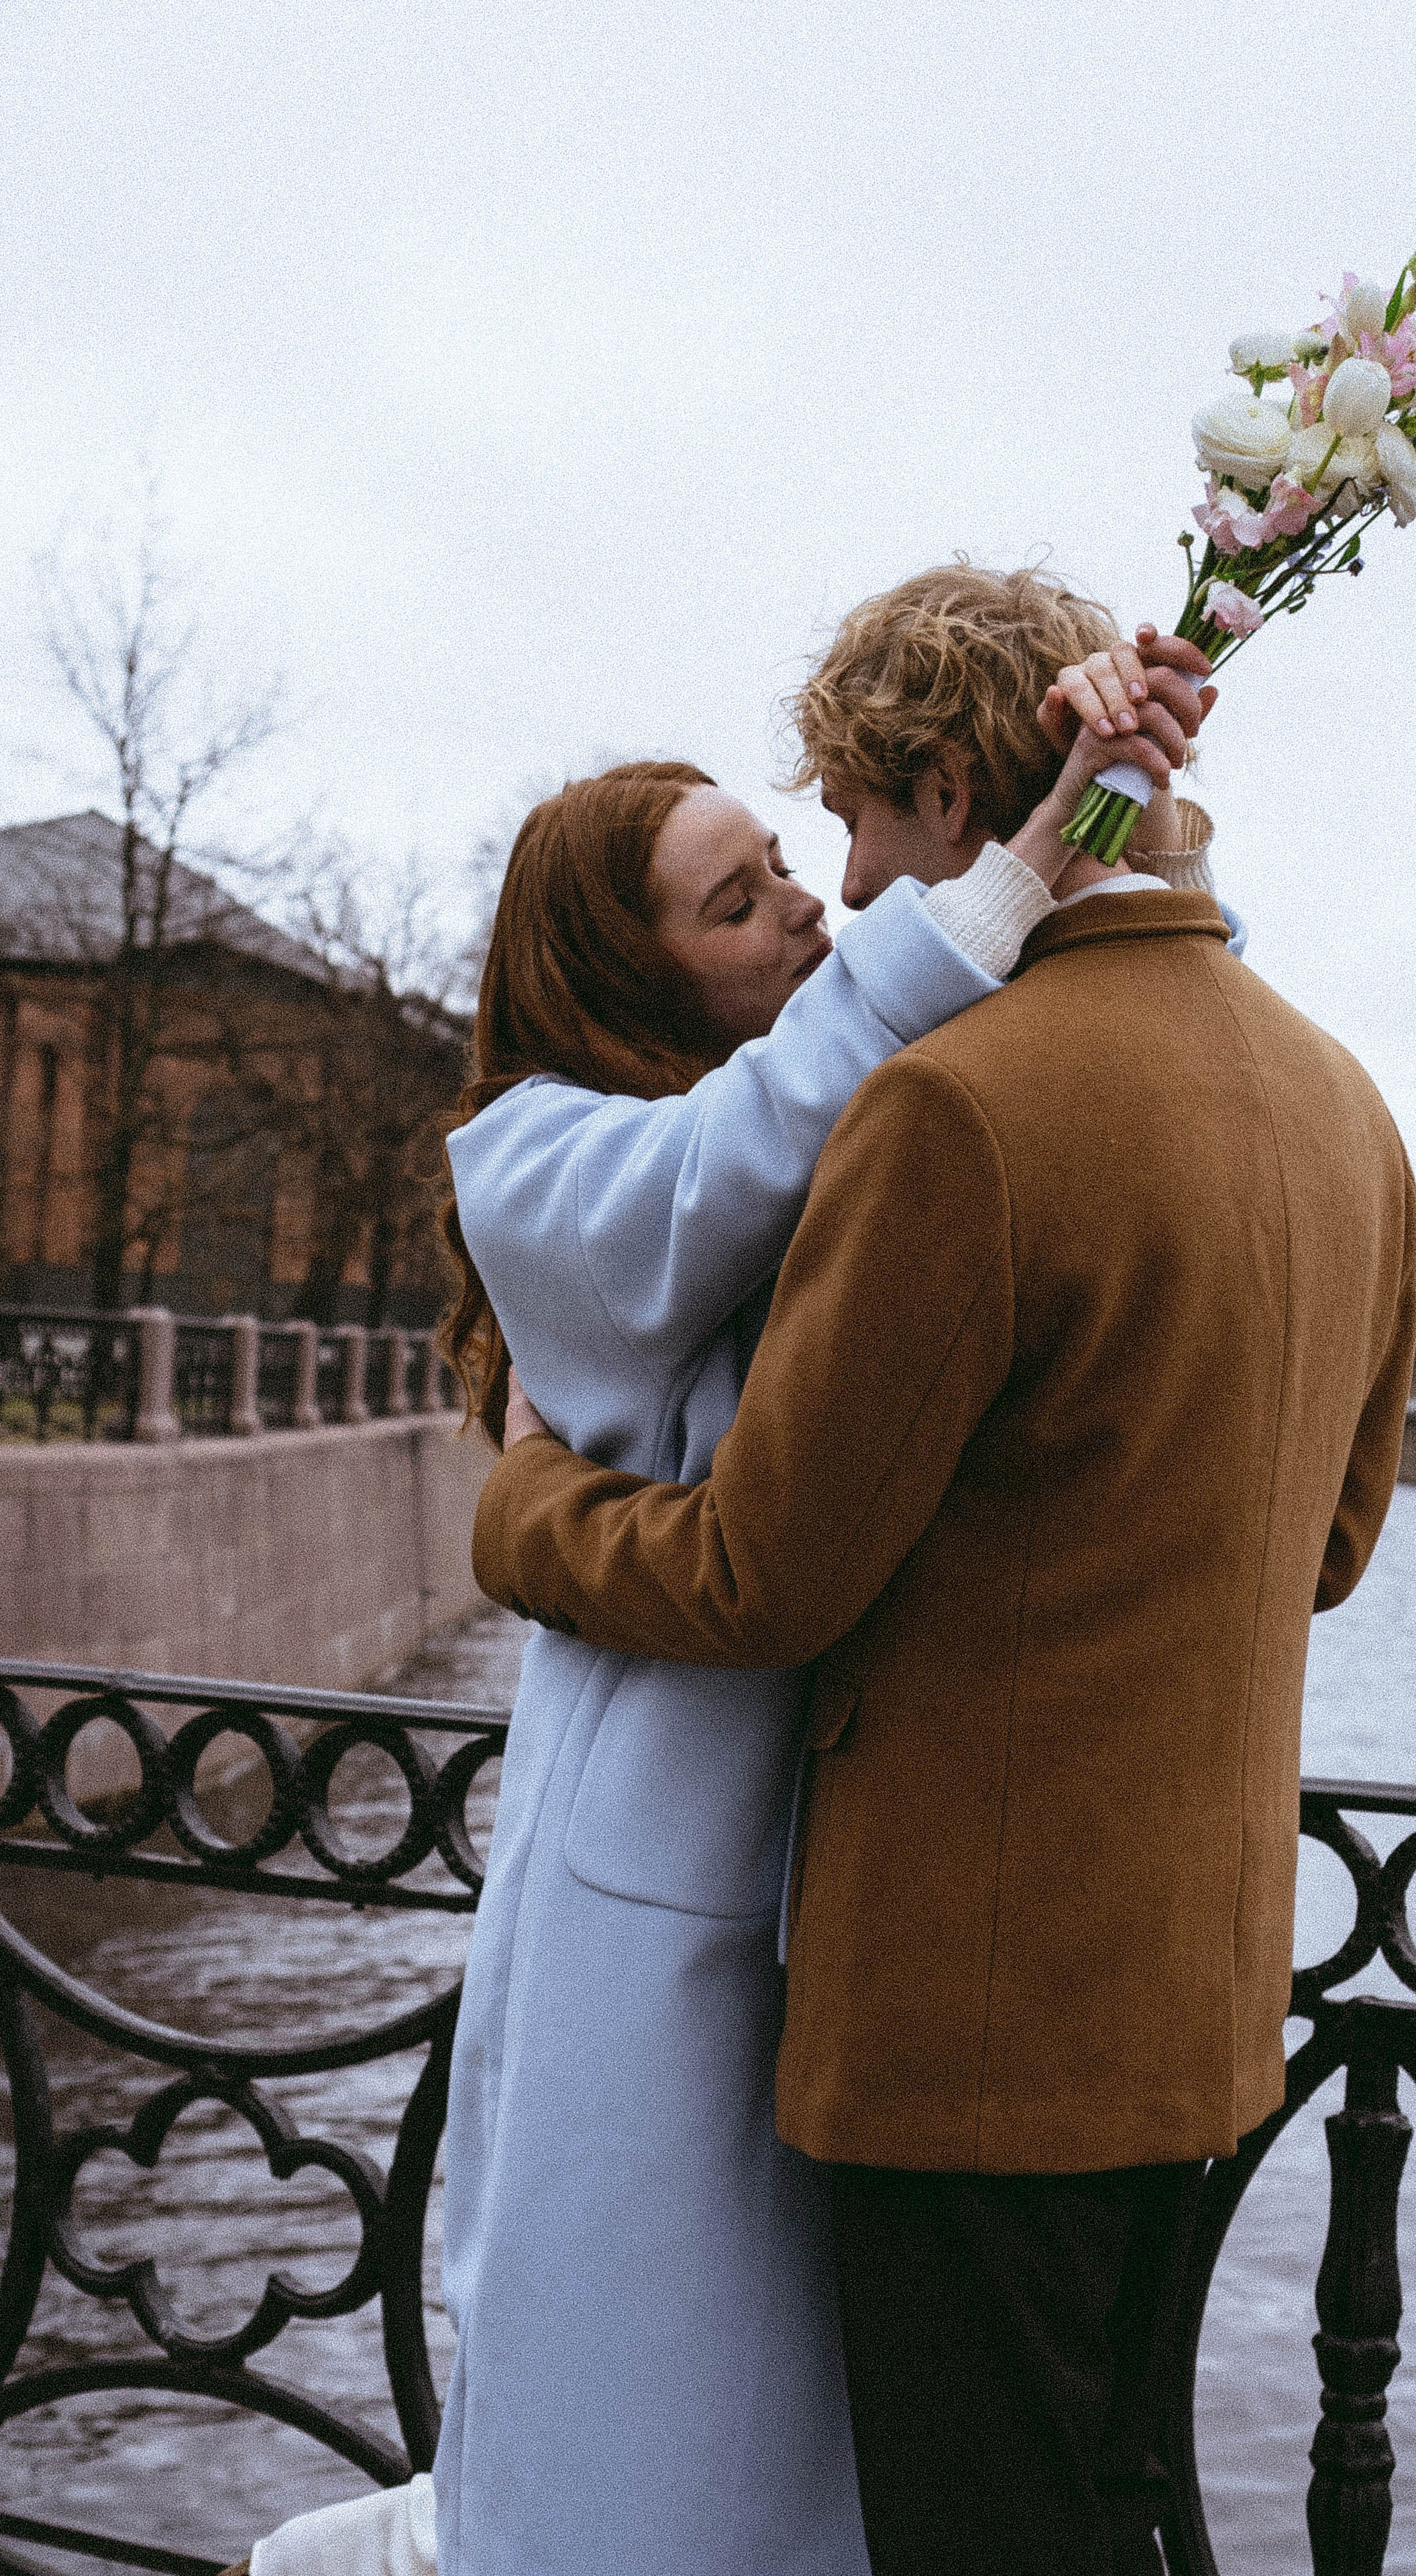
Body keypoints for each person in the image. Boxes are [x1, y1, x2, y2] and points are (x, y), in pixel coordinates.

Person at [222, 569, 1221, 2576]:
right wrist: (1027, 850)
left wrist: (1114, 760)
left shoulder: (861, 1102)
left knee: (806, 2419)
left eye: (793, 863)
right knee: (639, 2370)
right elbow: (728, 1168)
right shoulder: (538, 1151)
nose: (813, 909)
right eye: (741, 896)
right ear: (623, 969)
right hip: (661, 1873)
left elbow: (1008, 1020)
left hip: (857, 1875)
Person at [470, 572, 1416, 2576]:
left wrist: (522, 1512)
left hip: (968, 2034)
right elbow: (1327, 1547)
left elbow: (761, 1577)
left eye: (850, 823)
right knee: (1114, 2504)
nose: (841, 886)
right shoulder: (1351, 1110)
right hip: (1209, 2001)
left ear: (947, 789)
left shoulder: (958, 1110)